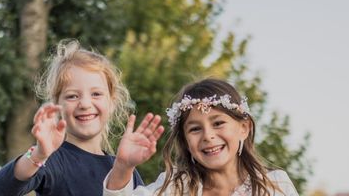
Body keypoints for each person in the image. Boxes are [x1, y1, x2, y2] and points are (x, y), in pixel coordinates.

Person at [0, 39, 145, 196]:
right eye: (72, 96)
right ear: (57, 105)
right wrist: (39, 154)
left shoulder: (124, 167)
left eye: (96, 94)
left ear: (112, 103)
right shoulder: (51, 160)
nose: (84, 104)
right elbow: (1, 190)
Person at [103, 78, 300, 196]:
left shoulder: (274, 185)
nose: (208, 136)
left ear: (243, 128)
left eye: (218, 123)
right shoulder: (175, 186)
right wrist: (123, 166)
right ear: (186, 142)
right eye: (195, 129)